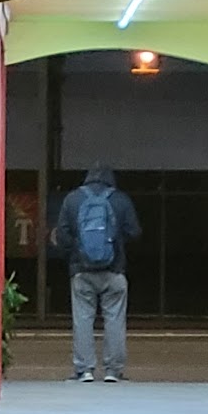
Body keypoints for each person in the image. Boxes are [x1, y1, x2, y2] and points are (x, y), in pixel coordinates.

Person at [52, 163, 141, 382]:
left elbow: (61, 235)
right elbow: (135, 232)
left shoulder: (73, 199)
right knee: (115, 320)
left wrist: (76, 251)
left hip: (81, 271)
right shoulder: (120, 199)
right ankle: (113, 370)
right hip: (115, 271)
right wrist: (116, 243)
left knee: (83, 320)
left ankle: (85, 370)